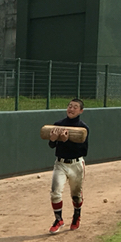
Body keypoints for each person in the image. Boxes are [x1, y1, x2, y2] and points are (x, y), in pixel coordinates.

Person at [46, 98, 89, 234]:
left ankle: (77, 215)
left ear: (81, 111)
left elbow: (83, 151)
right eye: (70, 106)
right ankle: (58, 220)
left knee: (76, 195)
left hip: (76, 164)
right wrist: (52, 140)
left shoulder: (83, 128)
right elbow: (52, 145)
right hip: (60, 164)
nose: (71, 109)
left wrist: (66, 141)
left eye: (75, 107)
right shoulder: (58, 124)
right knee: (55, 192)